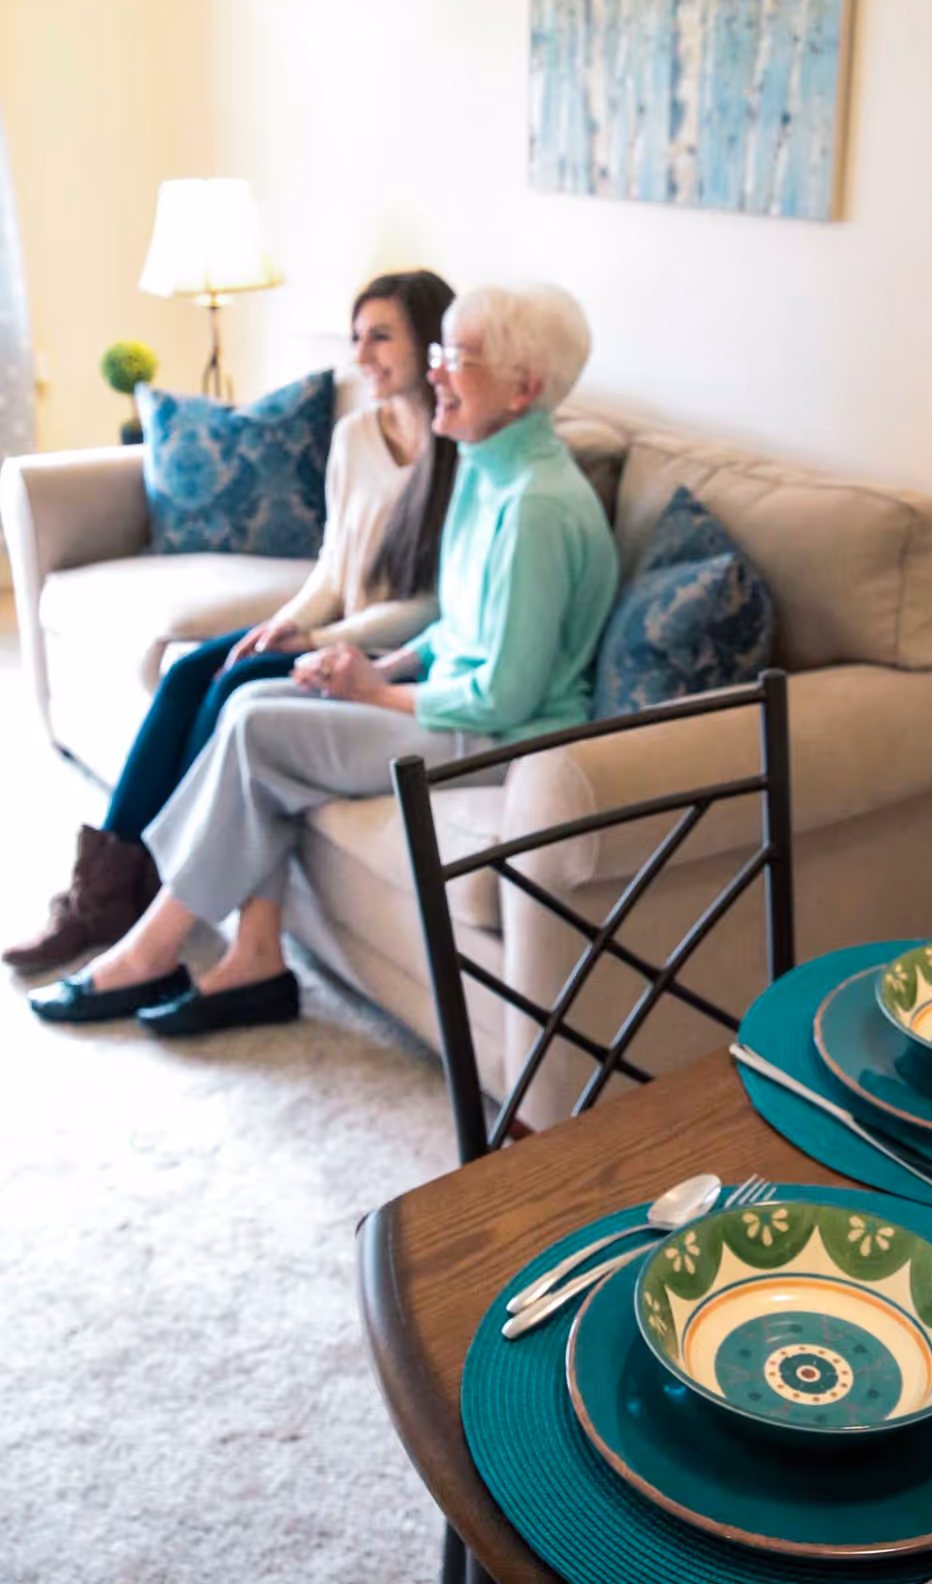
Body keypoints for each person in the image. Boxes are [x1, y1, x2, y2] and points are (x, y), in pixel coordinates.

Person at [29, 283, 620, 1036]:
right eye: (435, 352)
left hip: (511, 739)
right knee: (244, 704)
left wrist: (371, 693)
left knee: (259, 733)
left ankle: (153, 946)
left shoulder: (536, 505)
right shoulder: (488, 464)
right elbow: (457, 622)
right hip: (458, 701)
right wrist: (381, 663)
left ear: (522, 387)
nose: (436, 372)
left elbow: (505, 695)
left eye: (456, 357)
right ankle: (251, 959)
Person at [5, 269, 457, 974]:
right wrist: (286, 623)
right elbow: (334, 565)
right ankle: (99, 887)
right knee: (191, 670)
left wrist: (323, 640)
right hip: (331, 633)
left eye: (381, 337)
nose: (362, 356)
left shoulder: (460, 446)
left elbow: (437, 604)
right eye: (356, 337)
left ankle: (147, 888)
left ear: (430, 340)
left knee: (233, 688)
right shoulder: (356, 435)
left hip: (387, 655)